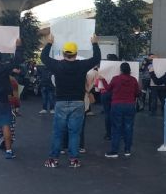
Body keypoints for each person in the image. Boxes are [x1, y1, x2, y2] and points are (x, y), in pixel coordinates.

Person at [41, 35, 101, 169]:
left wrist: (49, 43)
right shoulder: (81, 66)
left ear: (63, 53)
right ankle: (74, 160)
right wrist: (95, 44)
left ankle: (53, 160)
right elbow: (96, 58)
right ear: (75, 53)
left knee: (58, 132)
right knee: (75, 133)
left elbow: (43, 58)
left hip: (61, 103)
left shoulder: (57, 65)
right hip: (78, 103)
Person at [104, 62, 140, 158]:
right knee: (128, 127)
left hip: (117, 105)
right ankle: (127, 150)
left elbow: (108, 88)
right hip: (130, 105)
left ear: (121, 70)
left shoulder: (116, 79)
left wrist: (103, 80)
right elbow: (138, 93)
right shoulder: (133, 80)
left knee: (116, 128)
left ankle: (114, 151)